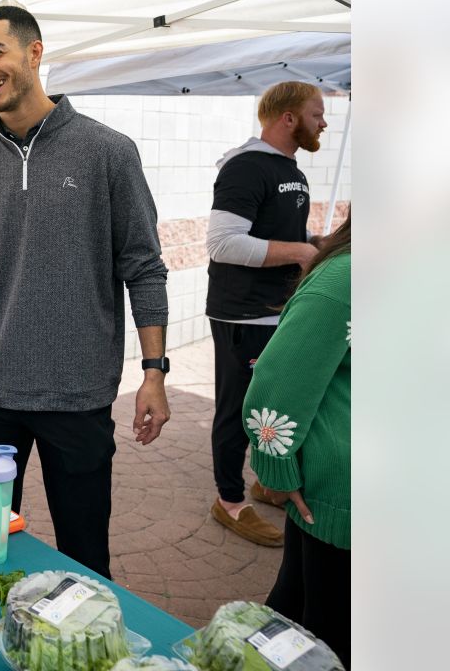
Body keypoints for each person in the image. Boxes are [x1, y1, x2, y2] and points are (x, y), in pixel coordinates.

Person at [0, 5, 171, 580]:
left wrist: (153, 372)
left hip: (77, 394)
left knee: (84, 556)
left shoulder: (109, 151)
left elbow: (144, 266)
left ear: (34, 53)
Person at [205, 80, 329, 546]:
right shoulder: (246, 167)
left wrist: (316, 243)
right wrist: (300, 251)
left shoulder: (289, 168)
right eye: (316, 113)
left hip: (277, 311)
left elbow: (276, 231)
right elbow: (222, 242)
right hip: (242, 315)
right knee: (236, 410)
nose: (324, 121)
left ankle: (269, 483)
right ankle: (229, 500)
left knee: (271, 406)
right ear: (288, 118)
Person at [243, 216, 350, 667]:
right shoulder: (350, 276)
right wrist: (277, 472)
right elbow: (275, 384)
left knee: (296, 625)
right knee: (321, 640)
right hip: (344, 496)